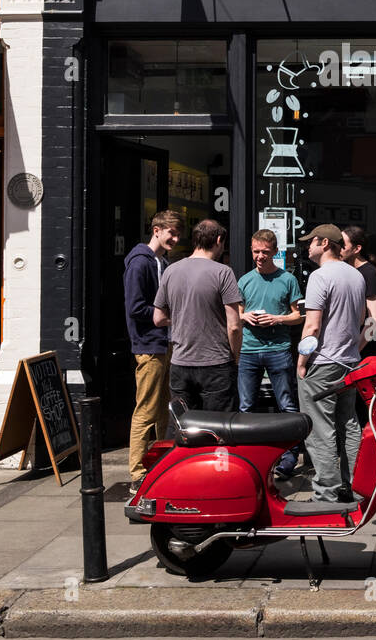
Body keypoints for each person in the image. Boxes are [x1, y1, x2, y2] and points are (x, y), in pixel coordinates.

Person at [295, 223, 367, 504]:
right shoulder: (356, 276)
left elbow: (312, 327)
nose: (307, 247)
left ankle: (327, 491)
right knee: (349, 423)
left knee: (319, 427)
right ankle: (353, 484)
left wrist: (301, 362)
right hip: (350, 361)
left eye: (310, 242)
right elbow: (362, 321)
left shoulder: (319, 276)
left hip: (323, 361)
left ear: (325, 243)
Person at [153, 218, 243, 413]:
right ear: (219, 240)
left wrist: (183, 316)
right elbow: (234, 326)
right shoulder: (223, 272)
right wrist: (235, 359)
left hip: (180, 363)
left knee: (184, 428)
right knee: (218, 427)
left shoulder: (171, 271)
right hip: (216, 363)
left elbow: (158, 318)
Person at [123, 209, 184, 495]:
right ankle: (137, 473)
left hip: (164, 343)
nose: (175, 238)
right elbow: (135, 307)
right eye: (171, 232)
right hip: (149, 345)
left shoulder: (161, 261)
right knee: (146, 409)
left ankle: (160, 463)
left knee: (163, 409)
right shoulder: (140, 262)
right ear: (156, 230)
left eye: (178, 233)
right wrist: (168, 316)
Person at [238, 228, 303, 479]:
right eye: (256, 252)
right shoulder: (244, 280)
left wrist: (277, 319)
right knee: (246, 406)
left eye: (265, 252)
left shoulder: (287, 280)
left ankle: (289, 456)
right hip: (249, 350)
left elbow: (298, 316)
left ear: (275, 252)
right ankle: (249, 455)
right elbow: (237, 313)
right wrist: (246, 316)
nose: (260, 257)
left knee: (286, 405)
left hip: (278, 349)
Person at [340, 224, 376, 355]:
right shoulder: (346, 270)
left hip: (365, 349)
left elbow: (374, 319)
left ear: (357, 249)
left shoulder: (369, 273)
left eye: (343, 245)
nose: (339, 248)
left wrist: (357, 349)